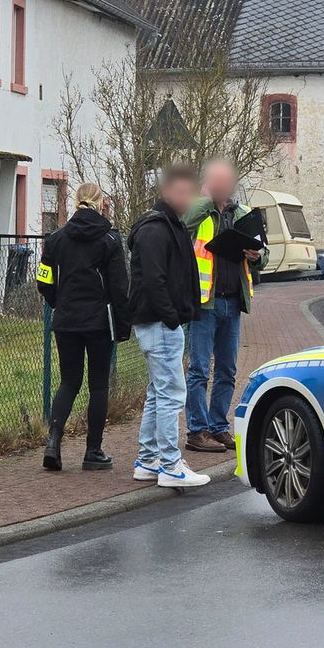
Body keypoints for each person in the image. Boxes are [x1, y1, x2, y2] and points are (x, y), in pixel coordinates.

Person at [127, 165, 212, 488]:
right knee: (171, 394)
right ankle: (170, 465)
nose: (187, 199)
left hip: (160, 321)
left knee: (158, 392)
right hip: (160, 323)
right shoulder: (156, 230)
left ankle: (148, 460)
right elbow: (154, 280)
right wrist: (171, 316)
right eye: (182, 192)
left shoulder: (167, 226)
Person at [36, 183, 129, 472]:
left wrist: (58, 302)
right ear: (101, 204)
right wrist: (122, 326)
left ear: (76, 201)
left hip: (66, 321)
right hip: (99, 322)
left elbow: (44, 280)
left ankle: (53, 442)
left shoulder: (56, 239)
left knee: (69, 382)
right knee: (98, 386)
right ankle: (93, 451)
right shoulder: (109, 240)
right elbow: (119, 287)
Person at [183, 159, 266, 454]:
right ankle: (197, 430)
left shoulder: (242, 214)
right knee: (199, 370)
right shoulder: (199, 212)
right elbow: (183, 227)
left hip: (233, 302)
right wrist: (206, 200)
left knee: (227, 371)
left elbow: (263, 254)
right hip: (205, 303)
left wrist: (257, 257)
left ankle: (218, 426)